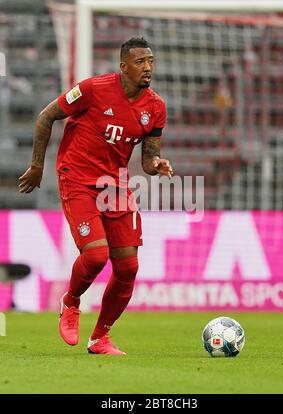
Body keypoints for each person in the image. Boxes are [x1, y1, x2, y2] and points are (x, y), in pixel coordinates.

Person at [18, 37, 173, 355]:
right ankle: (71, 302)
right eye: (141, 62)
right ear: (124, 66)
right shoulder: (92, 89)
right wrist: (36, 166)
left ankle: (100, 336)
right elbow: (46, 117)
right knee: (96, 256)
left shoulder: (155, 107)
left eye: (151, 61)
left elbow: (147, 158)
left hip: (115, 185)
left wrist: (156, 164)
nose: (148, 67)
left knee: (128, 267)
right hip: (77, 179)